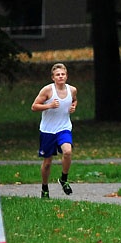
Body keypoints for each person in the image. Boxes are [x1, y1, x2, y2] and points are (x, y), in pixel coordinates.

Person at [31, 62, 78, 198]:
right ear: (53, 77)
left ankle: (63, 178)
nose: (61, 77)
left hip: (64, 128)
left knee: (68, 152)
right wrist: (49, 105)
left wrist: (74, 106)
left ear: (66, 76)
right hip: (47, 130)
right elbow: (34, 106)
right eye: (58, 75)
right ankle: (45, 188)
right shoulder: (47, 90)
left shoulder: (72, 90)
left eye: (63, 74)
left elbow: (74, 100)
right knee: (47, 163)